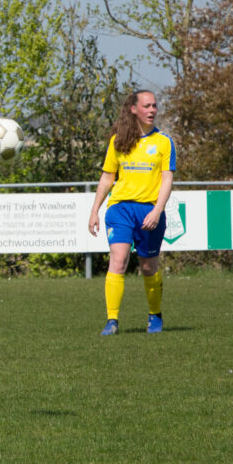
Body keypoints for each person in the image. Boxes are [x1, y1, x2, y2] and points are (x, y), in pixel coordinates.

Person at [87, 89, 176, 336]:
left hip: (149, 211)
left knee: (148, 268)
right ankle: (112, 321)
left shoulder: (164, 142)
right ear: (134, 109)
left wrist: (158, 211)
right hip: (120, 209)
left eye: (154, 106)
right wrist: (95, 210)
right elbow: (107, 177)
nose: (152, 110)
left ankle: (155, 316)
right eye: (147, 106)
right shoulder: (118, 141)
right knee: (118, 260)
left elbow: (167, 179)